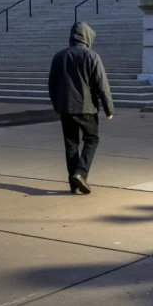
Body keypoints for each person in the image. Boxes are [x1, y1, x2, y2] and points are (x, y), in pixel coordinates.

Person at [48, 22, 115, 195]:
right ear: (87, 37)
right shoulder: (91, 56)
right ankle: (81, 173)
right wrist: (109, 108)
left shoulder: (59, 56)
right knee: (92, 139)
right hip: (86, 108)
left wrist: (57, 104)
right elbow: (102, 84)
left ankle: (73, 183)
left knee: (71, 144)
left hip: (66, 108)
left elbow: (52, 84)